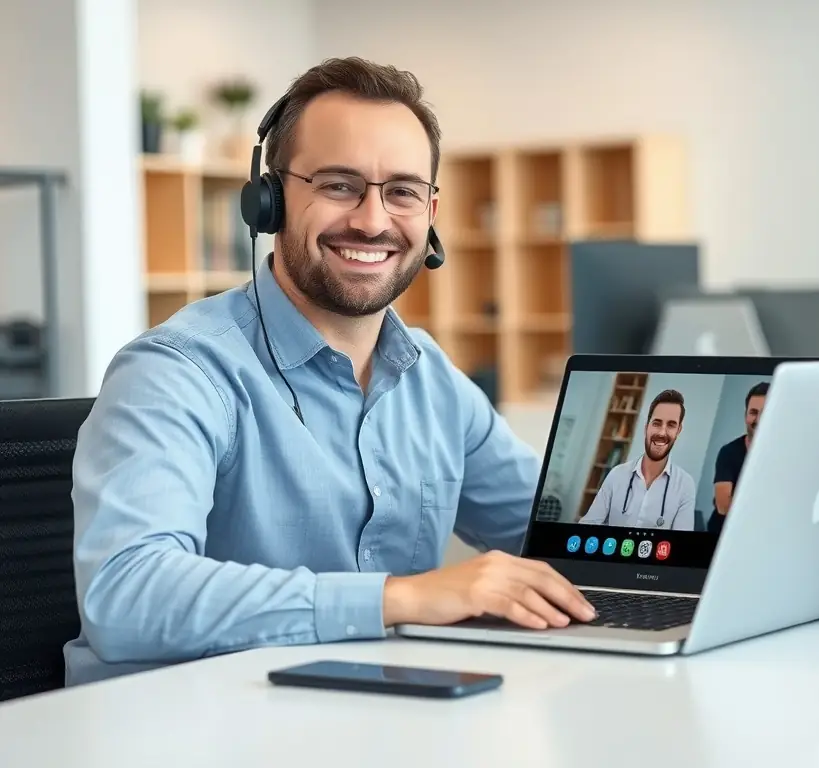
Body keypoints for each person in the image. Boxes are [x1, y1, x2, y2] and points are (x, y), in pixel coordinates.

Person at [65, 57, 595, 686]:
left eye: (402, 191)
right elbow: (126, 595)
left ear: (430, 211)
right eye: (339, 185)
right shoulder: (178, 371)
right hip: (190, 720)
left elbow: (561, 538)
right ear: (270, 200)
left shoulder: (430, 377)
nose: (372, 221)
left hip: (374, 711)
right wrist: (400, 598)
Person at [579, 389, 697, 530]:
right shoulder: (617, 474)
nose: (662, 432)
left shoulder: (685, 485)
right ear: (646, 427)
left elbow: (681, 541)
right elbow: (589, 524)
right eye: (657, 423)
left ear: (678, 431)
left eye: (671, 425)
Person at [709, 381, 770, 531]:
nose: (758, 419)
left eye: (765, 413)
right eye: (753, 412)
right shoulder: (729, 452)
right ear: (745, 415)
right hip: (722, 533)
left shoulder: (782, 456)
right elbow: (723, 506)